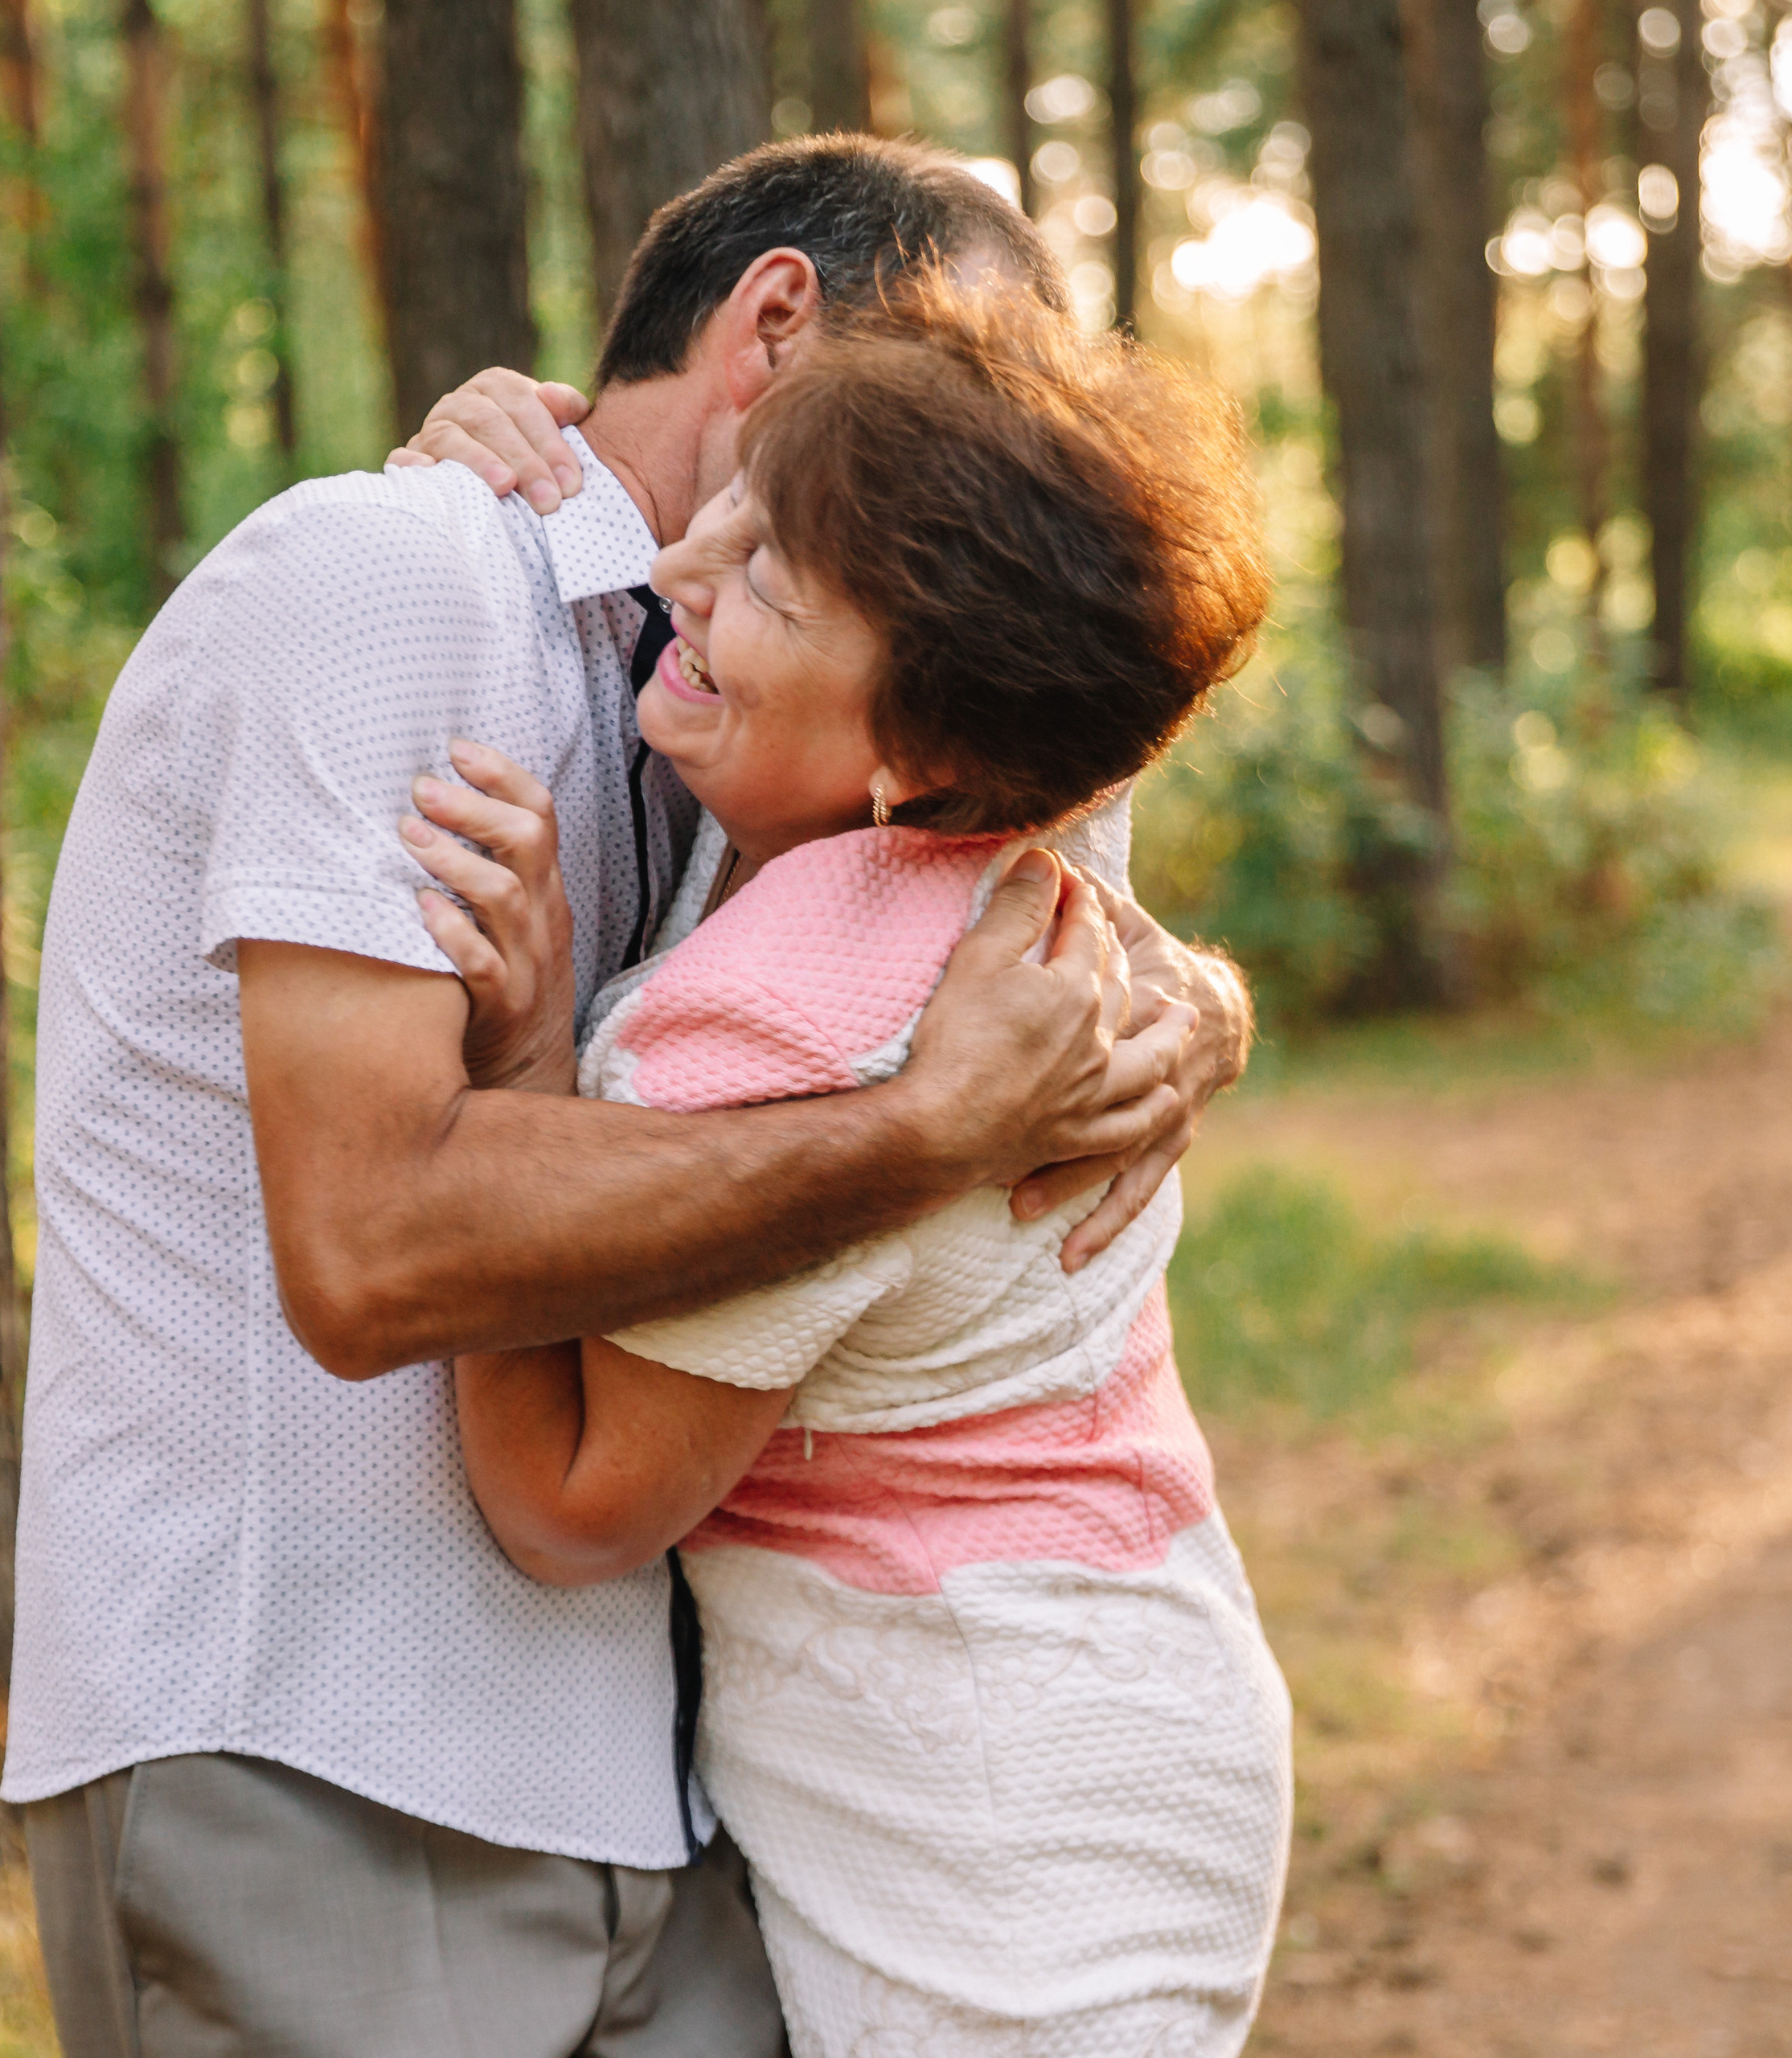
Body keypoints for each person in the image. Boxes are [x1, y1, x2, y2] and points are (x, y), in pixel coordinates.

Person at [6, 134, 1252, 2058]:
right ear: (780, 324)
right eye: (951, 378)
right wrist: (919, 1135)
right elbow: (374, 1243)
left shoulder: (806, 727)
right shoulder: (397, 575)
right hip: (325, 1745)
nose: (997, 456)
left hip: (677, 1801)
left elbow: (1043, 904)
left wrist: (1197, 999)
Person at [416, 284, 1293, 2055]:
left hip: (987, 1796)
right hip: (1114, 1689)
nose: (678, 578)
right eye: (726, 519)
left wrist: (509, 1059)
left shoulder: (782, 1028)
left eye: (762, 586)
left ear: (912, 755)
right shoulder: (986, 859)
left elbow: (575, 1501)